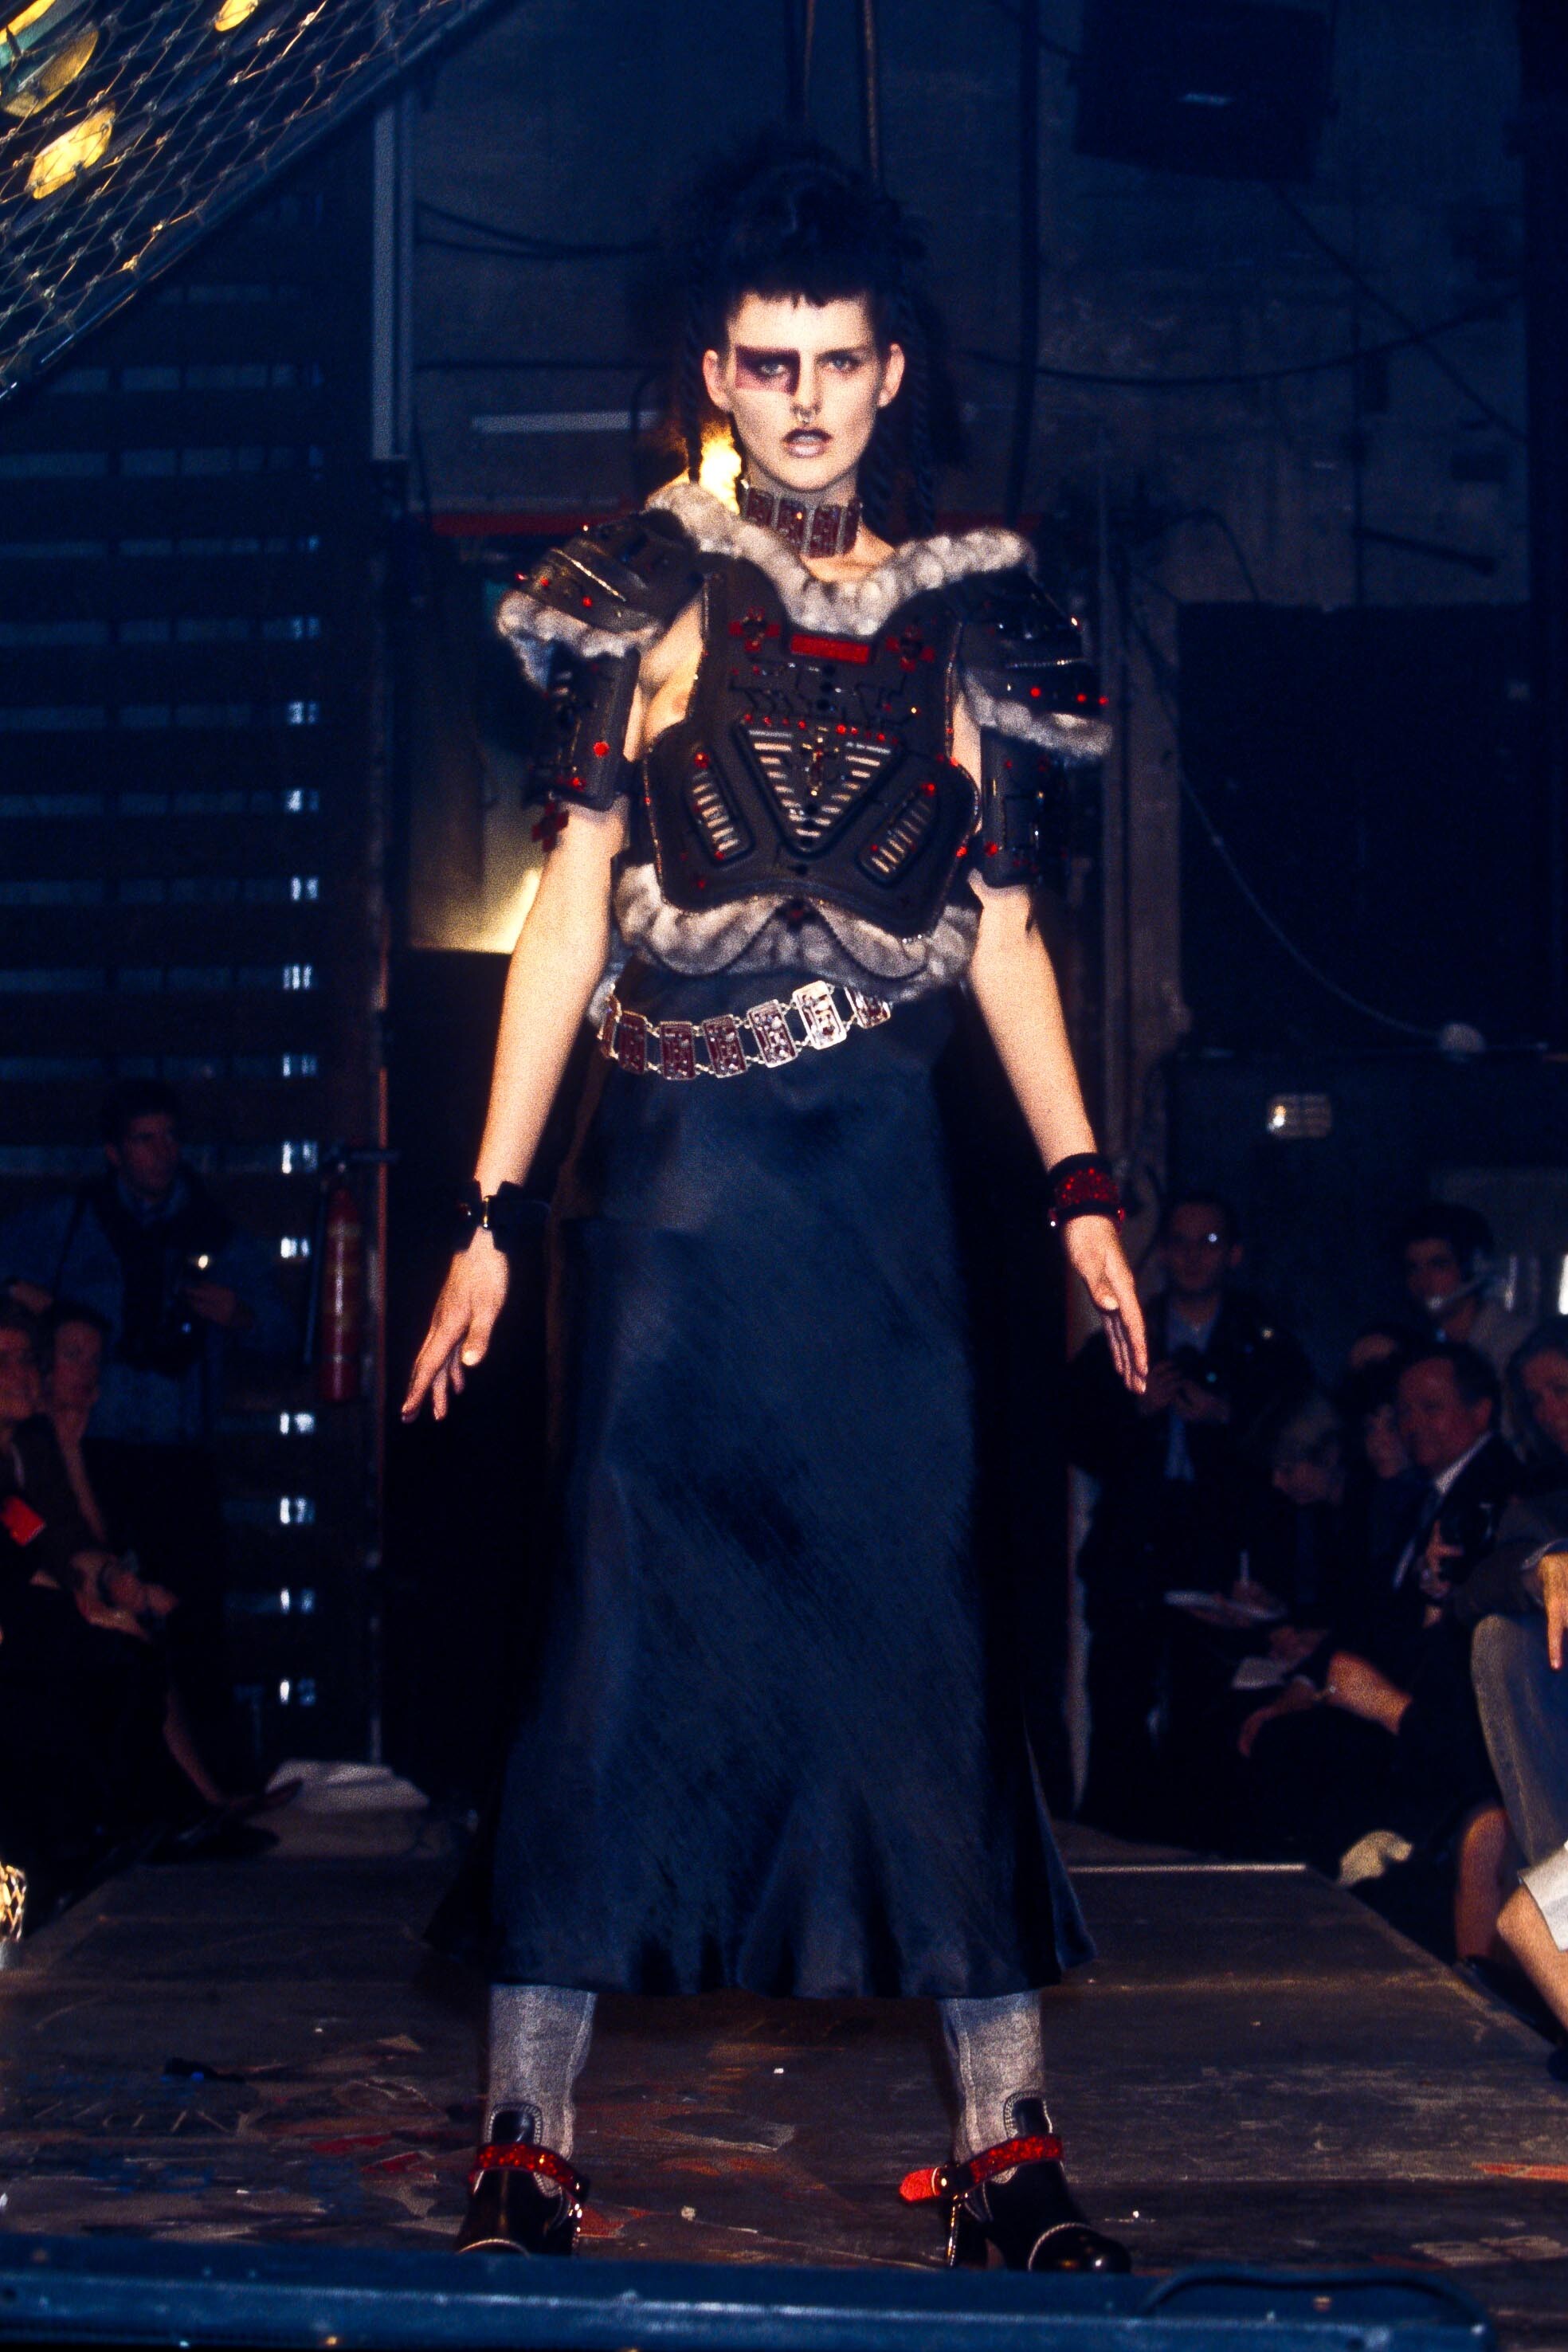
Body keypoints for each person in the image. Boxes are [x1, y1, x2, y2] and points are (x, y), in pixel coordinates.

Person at [402, 139, 1149, 2273]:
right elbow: (565, 920)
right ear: (716, 374)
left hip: (887, 1208)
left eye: (838, 362)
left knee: (931, 1646)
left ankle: (1009, 2155)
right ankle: (524, 2141)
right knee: (610, 1650)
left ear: (891, 372)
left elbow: (1007, 939)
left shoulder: (975, 620)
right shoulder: (642, 595)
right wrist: (488, 1210)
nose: (804, 398)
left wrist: (1084, 1192)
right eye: (767, 363)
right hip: (677, 1202)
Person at [0, 1080, 292, 1762]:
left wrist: (240, 1315)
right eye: (144, 1139)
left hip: (179, 1462)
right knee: (97, 1605)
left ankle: (210, 1787)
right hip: (92, 1454)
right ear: (113, 1151)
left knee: (191, 1621)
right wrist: (25, 1296)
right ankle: (121, 1787)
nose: (162, 1152)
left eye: (170, 1137)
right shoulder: (72, 1224)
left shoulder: (214, 1232)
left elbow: (282, 1333)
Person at [1064, 1190, 1309, 1834]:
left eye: (1209, 1242)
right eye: (1179, 1241)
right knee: (1119, 1695)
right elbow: (1073, 1433)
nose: (1193, 1256)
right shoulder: (1122, 1334)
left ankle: (1201, 1840)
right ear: (1161, 1251)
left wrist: (1229, 1419)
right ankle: (1114, 1838)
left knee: (1209, 1703)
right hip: (1135, 1546)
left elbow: (1300, 1444)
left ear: (1234, 1254)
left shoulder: (1266, 1342)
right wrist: (1136, 1413)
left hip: (1224, 1550)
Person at [1397, 1203, 1529, 1383]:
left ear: (1475, 1267)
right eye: (1413, 1268)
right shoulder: (1423, 1346)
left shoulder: (1514, 1346)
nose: (1423, 1280)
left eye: (1439, 1265)